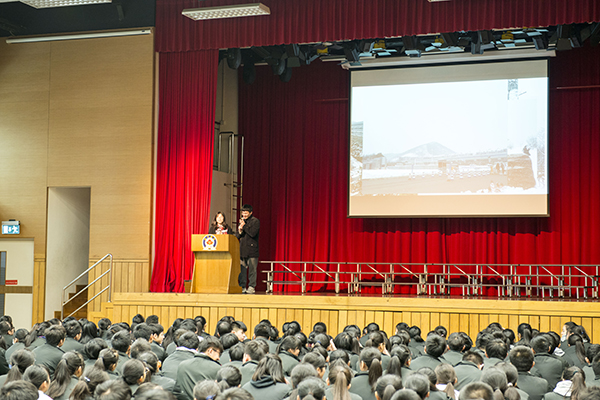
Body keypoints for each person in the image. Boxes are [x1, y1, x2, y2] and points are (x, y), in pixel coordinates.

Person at [236, 204, 260, 294]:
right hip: (242, 249)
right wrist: (240, 229)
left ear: (250, 213)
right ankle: (242, 286)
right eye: (243, 213)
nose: (244, 215)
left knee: (252, 270)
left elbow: (253, 233)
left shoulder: (255, 221)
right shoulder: (242, 221)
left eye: (246, 213)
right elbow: (238, 235)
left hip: (252, 250)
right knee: (242, 270)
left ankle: (251, 286)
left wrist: (244, 226)